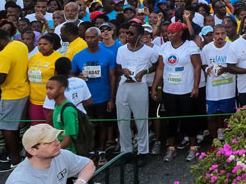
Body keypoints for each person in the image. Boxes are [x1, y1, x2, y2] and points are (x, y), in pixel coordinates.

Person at [2, 124, 95, 184]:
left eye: (56, 137)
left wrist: (80, 182)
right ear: (32, 150)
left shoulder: (62, 155)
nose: (57, 142)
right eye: (49, 141)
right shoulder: (18, 181)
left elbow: (88, 164)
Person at [151, 21, 201, 162]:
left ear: (180, 33)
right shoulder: (164, 47)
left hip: (186, 89)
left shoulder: (190, 46)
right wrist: (155, 87)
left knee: (189, 119)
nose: (169, 35)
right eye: (168, 33)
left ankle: (193, 147)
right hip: (169, 90)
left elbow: (197, 66)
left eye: (172, 32)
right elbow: (160, 68)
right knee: (171, 120)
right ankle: (171, 147)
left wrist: (196, 86)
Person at [0, 28, 29, 169]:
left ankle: (14, 159)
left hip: (11, 94)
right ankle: (17, 154)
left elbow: (0, 78)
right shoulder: (21, 45)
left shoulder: (4, 54)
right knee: (16, 126)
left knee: (7, 128)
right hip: (25, 90)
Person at [71, 27, 116, 165]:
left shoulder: (108, 54)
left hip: (103, 96)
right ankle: (90, 151)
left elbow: (113, 77)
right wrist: (78, 77)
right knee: (88, 126)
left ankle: (101, 150)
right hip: (85, 99)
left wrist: (112, 98)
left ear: (99, 38)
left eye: (92, 37)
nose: (90, 40)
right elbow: (72, 74)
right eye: (87, 37)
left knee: (103, 125)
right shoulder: (78, 56)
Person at [115, 22, 157, 159]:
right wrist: (123, 70)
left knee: (141, 120)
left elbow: (156, 65)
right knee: (123, 120)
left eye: (131, 33)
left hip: (139, 86)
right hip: (124, 86)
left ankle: (142, 151)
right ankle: (126, 151)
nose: (127, 36)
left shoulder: (149, 51)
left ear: (139, 35)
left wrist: (145, 71)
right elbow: (117, 68)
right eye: (126, 33)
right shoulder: (121, 50)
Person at [201, 24, 236, 147]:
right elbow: (203, 65)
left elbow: (235, 66)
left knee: (228, 116)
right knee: (211, 117)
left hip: (228, 90)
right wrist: (207, 70)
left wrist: (225, 69)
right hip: (212, 90)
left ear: (226, 34)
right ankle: (214, 142)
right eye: (217, 34)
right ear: (213, 35)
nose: (220, 36)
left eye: (222, 33)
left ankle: (228, 142)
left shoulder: (232, 47)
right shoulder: (206, 49)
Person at [27, 33, 67, 125]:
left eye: (45, 44)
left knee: (52, 128)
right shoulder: (33, 58)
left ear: (52, 45)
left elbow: (62, 79)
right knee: (37, 128)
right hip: (35, 100)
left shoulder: (59, 58)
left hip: (51, 101)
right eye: (40, 44)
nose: (42, 46)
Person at [46, 75, 80, 154]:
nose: (47, 91)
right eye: (47, 88)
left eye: (51, 88)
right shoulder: (57, 106)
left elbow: (67, 141)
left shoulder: (68, 111)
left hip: (68, 154)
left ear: (62, 89)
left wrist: (50, 153)